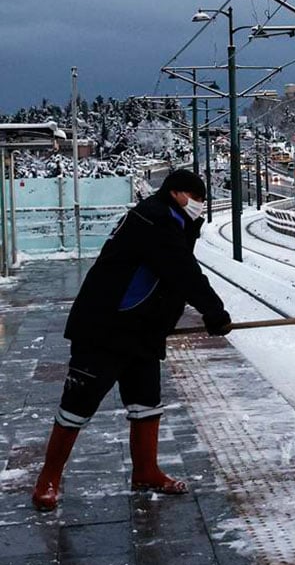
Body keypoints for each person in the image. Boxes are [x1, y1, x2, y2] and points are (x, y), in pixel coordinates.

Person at [31, 170, 233, 512]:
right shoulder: (153, 219)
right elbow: (182, 271)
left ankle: (146, 471)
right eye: (197, 198)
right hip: (105, 328)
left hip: (141, 329)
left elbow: (175, 267)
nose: (200, 205)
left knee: (146, 403)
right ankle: (47, 479)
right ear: (178, 195)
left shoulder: (169, 219)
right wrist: (214, 313)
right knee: (77, 405)